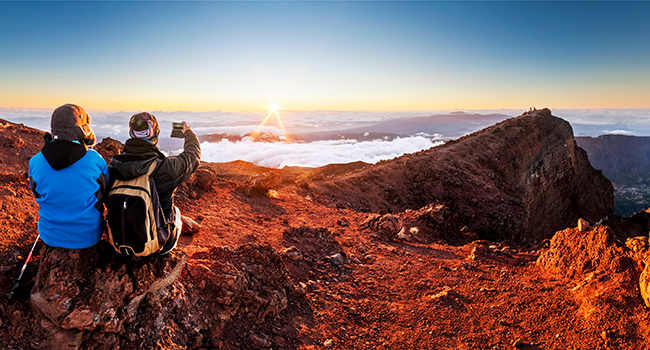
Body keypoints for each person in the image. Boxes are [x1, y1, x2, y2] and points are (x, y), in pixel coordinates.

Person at [108, 112, 200, 255]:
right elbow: (192, 157)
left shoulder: (114, 166)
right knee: (176, 211)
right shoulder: (165, 168)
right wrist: (188, 133)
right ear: (155, 133)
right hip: (157, 246)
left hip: (118, 244)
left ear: (131, 133)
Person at [29, 104, 108, 249]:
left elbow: (36, 192)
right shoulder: (96, 161)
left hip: (49, 235)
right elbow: (105, 192)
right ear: (83, 130)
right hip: (88, 237)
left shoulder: (35, 162)